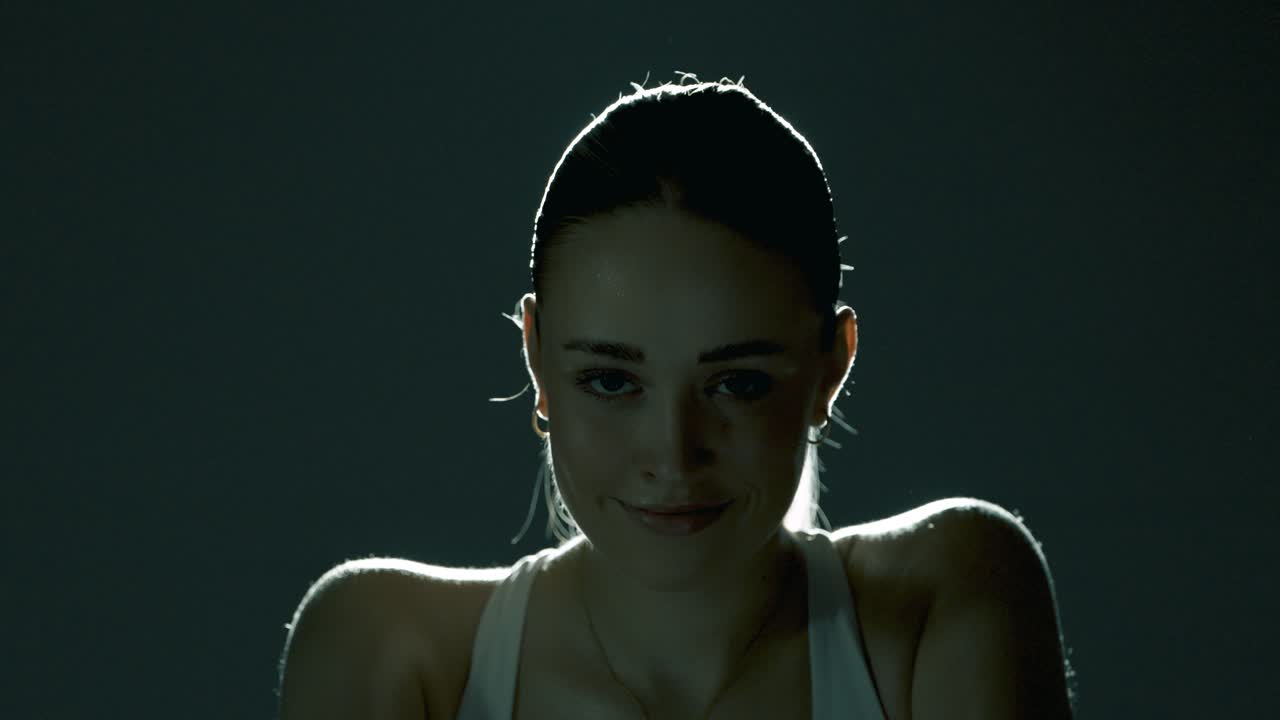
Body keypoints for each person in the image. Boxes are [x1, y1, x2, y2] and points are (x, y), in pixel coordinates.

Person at [276, 73, 1076, 719]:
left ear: (830, 369)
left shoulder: (943, 602)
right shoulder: (386, 650)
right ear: (537, 361)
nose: (672, 452)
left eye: (738, 383)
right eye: (611, 381)